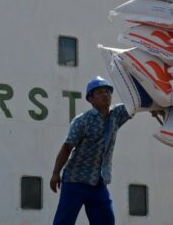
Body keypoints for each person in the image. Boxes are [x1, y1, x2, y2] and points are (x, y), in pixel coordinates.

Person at [49, 76, 138, 225]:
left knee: (106, 221)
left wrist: (155, 108)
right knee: (64, 222)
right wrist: (56, 173)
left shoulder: (116, 114)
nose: (106, 95)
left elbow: (135, 104)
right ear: (90, 99)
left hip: (98, 183)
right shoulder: (82, 121)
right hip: (75, 181)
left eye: (108, 92)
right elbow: (67, 147)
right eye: (100, 92)